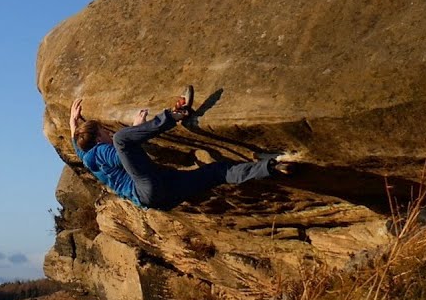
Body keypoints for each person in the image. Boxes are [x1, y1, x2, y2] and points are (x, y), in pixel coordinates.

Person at [69, 86, 290, 211]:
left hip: (161, 197)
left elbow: (76, 145)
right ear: (97, 139)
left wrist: (73, 122)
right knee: (122, 139)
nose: (107, 131)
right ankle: (177, 114)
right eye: (104, 131)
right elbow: (122, 155)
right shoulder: (100, 151)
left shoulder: (87, 155)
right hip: (146, 188)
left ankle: (270, 167)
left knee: (217, 172)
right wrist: (137, 127)